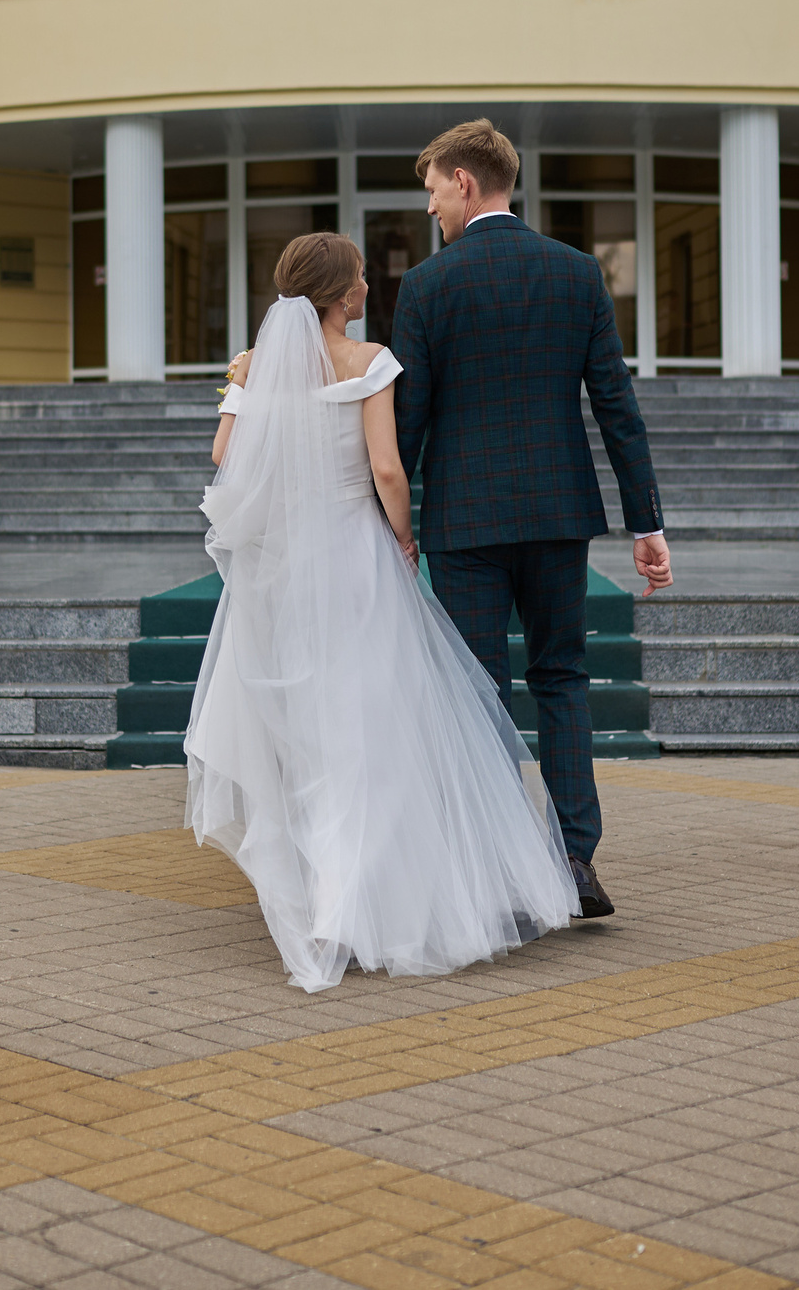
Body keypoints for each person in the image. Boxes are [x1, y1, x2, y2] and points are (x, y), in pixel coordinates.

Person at [185, 232, 580, 993]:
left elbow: (223, 456)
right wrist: (403, 537)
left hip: (288, 567)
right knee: (370, 725)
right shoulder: (370, 360)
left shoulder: (260, 366)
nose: (368, 284)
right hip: (356, 557)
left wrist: (243, 386)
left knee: (309, 732)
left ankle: (326, 900)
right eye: (362, 275)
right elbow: (388, 469)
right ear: (343, 294)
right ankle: (358, 903)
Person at [390, 119, 670, 921]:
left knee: (479, 690)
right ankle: (575, 858)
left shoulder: (427, 286)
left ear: (465, 182)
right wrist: (646, 522)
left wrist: (391, 524)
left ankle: (500, 867)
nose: (431, 207)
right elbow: (617, 406)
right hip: (557, 514)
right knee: (562, 677)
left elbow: (408, 424)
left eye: (434, 190)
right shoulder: (577, 273)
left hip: (465, 521)